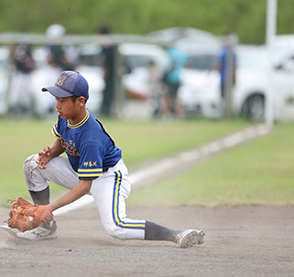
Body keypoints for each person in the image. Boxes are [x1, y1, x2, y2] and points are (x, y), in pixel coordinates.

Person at [16, 70, 205, 248]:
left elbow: (85, 186)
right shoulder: (65, 115)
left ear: (80, 101)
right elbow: (62, 139)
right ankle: (45, 229)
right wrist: (51, 153)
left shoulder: (91, 137)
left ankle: (176, 234)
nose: (57, 105)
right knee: (33, 164)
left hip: (108, 179)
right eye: (56, 99)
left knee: (117, 228)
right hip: (80, 172)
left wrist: (50, 208)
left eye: (62, 100)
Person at [163, 44, 186, 118]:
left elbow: (166, 65)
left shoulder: (169, 52)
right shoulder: (181, 53)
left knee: (168, 97)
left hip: (170, 78)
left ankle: (166, 114)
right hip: (178, 77)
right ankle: (180, 114)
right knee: (176, 97)